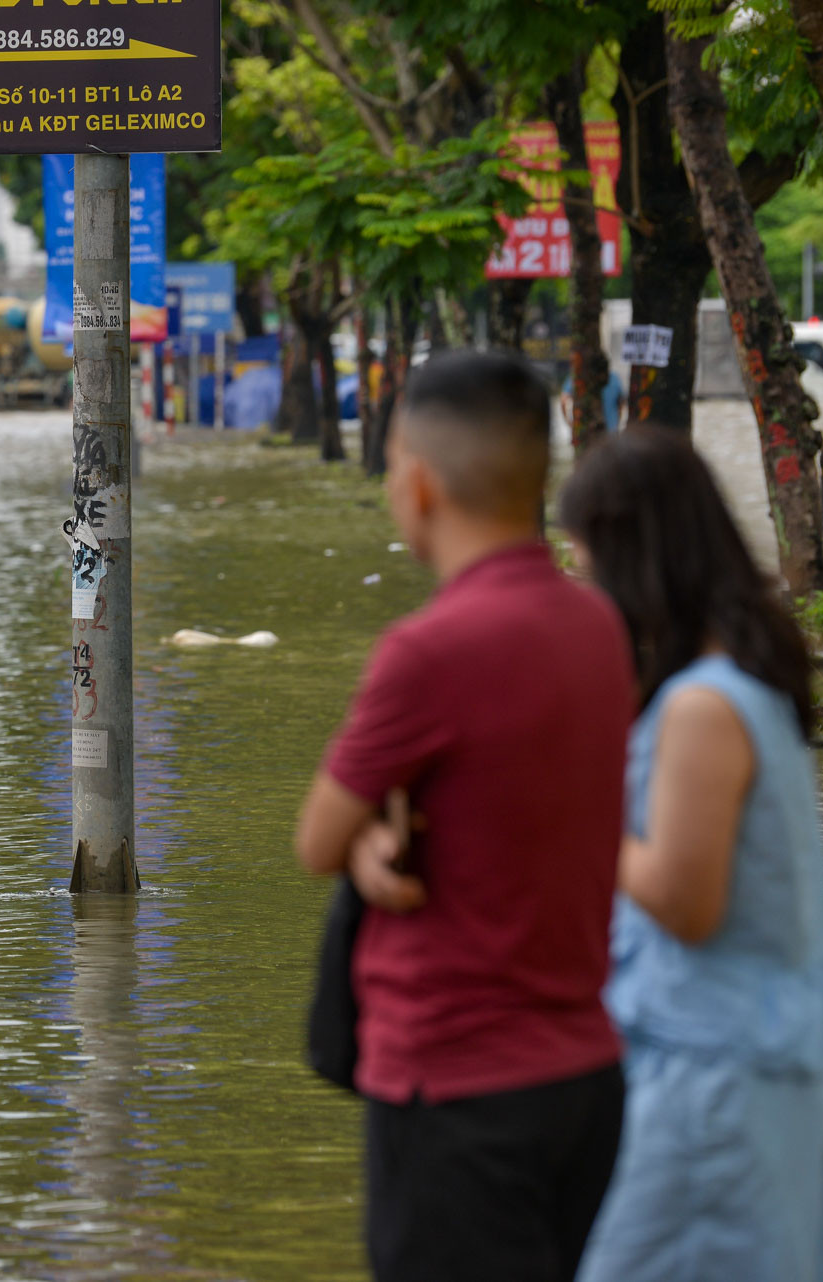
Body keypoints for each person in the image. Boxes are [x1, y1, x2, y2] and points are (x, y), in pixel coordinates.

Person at [294, 351, 633, 1282]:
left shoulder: (428, 652)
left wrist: (362, 838)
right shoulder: (601, 629)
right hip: (586, 1074)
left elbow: (316, 838)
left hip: (455, 1086)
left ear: (417, 482)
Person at [561, 430, 823, 1282]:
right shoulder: (741, 678)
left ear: (631, 553)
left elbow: (685, 901)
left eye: (587, 560)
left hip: (721, 1075)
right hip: (757, 1056)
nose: (584, 585)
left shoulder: (703, 707)